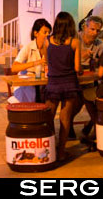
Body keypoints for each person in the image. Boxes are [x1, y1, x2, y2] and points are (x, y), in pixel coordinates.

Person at [44, 11, 82, 161]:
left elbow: (47, 61)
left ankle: (50, 148)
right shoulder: (74, 42)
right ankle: (61, 152)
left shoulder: (47, 41)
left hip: (53, 84)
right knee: (65, 120)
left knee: (49, 118)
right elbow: (78, 68)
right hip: (70, 84)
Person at [8, 18, 52, 104]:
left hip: (43, 84)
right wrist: (35, 63)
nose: (47, 35)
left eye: (49, 33)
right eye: (45, 32)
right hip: (28, 85)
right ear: (36, 33)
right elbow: (14, 68)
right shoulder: (28, 47)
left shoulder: (49, 48)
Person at [78, 16, 103, 140]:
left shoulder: (100, 45)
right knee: (85, 97)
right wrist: (80, 55)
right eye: (92, 29)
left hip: (90, 79)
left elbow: (102, 65)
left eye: (97, 31)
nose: (95, 33)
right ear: (85, 27)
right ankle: (95, 124)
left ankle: (94, 125)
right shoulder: (75, 39)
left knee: (89, 94)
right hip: (73, 77)